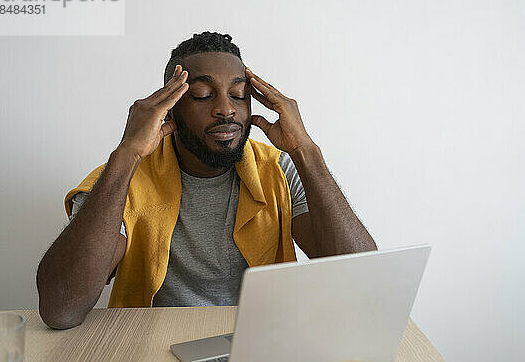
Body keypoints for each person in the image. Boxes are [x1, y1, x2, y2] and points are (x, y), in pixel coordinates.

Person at [36, 31, 377, 330]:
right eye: (201, 94)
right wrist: (125, 156)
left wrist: (306, 150)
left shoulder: (280, 170)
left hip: (263, 344)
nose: (226, 109)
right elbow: (61, 310)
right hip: (151, 346)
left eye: (239, 94)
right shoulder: (121, 180)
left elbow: (361, 286)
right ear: (169, 109)